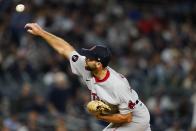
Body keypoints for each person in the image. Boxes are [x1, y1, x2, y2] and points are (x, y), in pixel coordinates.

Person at [25, 23, 151, 131]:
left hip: (135, 118)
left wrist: (101, 116)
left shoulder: (117, 84)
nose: (85, 59)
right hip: (126, 114)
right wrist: (41, 32)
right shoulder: (86, 66)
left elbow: (126, 117)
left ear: (98, 64)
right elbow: (65, 49)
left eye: (89, 58)